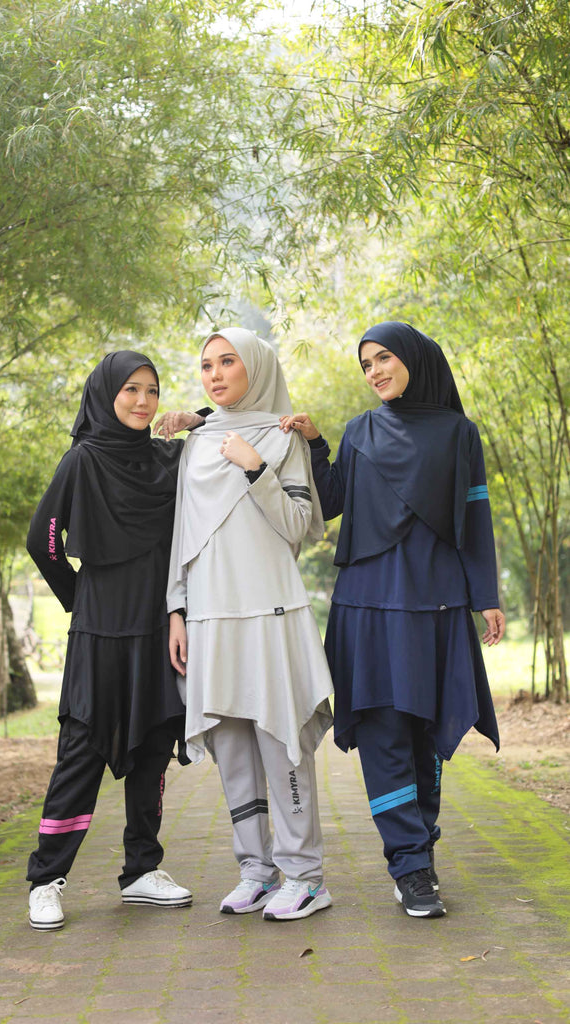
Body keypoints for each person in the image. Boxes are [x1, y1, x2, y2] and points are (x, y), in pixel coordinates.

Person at [281, 321, 504, 919]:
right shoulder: (360, 431)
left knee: (426, 730)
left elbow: (475, 517)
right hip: (368, 604)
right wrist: (318, 445)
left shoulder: (459, 434)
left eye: (383, 358)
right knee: (383, 732)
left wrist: (486, 595)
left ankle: (420, 849)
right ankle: (409, 866)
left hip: (436, 605)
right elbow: (332, 503)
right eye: (366, 364)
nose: (374, 371)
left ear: (414, 359)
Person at [167, 327, 334, 922]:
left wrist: (255, 466)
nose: (214, 374)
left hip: (269, 609)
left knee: (280, 738)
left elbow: (297, 527)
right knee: (233, 743)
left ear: (255, 368)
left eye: (227, 361)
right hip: (210, 612)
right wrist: (176, 609)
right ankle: (256, 872)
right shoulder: (195, 442)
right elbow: (182, 533)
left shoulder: (284, 436)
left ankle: (306, 876)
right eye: (206, 364)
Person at [25, 351, 194, 930]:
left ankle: (142, 869)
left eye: (152, 390)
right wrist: (81, 598)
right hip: (98, 630)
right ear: (106, 394)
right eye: (130, 390)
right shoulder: (83, 460)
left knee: (154, 743)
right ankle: (46, 879)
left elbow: (228, 428)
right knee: (82, 748)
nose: (143, 401)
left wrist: (194, 418)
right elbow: (45, 540)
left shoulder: (167, 458)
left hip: (157, 626)